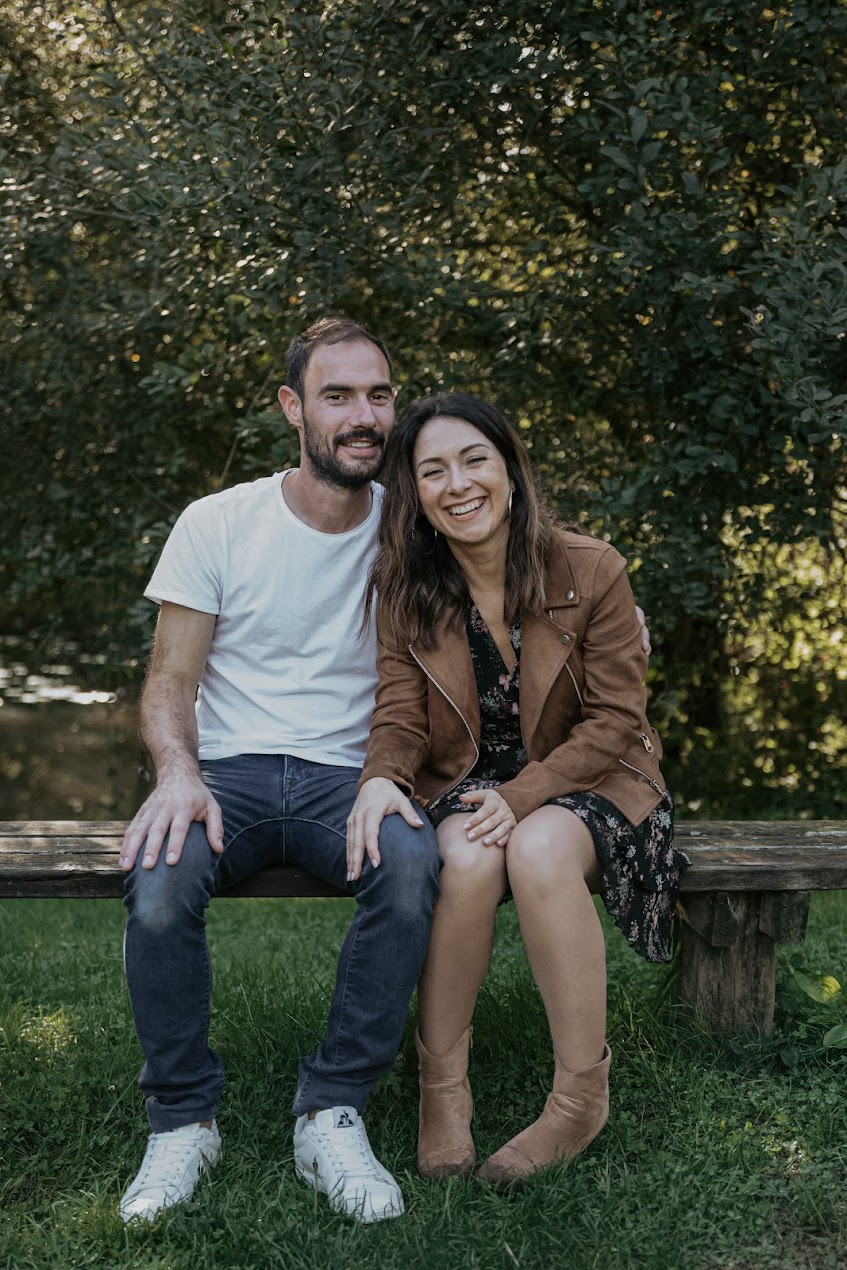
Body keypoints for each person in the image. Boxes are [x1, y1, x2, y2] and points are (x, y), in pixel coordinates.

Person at [117, 317, 442, 1225]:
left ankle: (330, 1109)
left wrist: (616, 609)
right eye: (337, 395)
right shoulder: (218, 522)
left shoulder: (412, 523)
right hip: (229, 773)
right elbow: (168, 679)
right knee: (158, 881)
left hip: (353, 776)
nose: (363, 415)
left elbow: (522, 544)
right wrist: (178, 774)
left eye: (378, 395)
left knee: (413, 869)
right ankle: (183, 1119)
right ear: (293, 407)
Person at [347, 392, 687, 1185]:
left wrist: (525, 795)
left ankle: (578, 1097)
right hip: (474, 784)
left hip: (596, 776)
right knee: (461, 859)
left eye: (473, 461)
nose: (456, 484)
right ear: (416, 498)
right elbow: (399, 716)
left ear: (509, 470)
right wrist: (378, 781)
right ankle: (442, 1091)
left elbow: (612, 720)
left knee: (534, 849)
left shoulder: (590, 566)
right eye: (432, 471)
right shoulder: (406, 589)